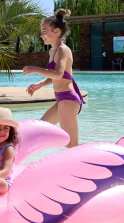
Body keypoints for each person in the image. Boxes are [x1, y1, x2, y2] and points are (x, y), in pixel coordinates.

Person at [23, 9, 83, 147]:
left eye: (44, 32)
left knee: (71, 144)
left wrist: (35, 69)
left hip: (68, 99)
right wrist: (41, 84)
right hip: (61, 99)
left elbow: (58, 74)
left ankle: (96, 162)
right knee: (41, 130)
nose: (41, 35)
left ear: (56, 31)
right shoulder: (52, 50)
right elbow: (56, 77)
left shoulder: (63, 50)